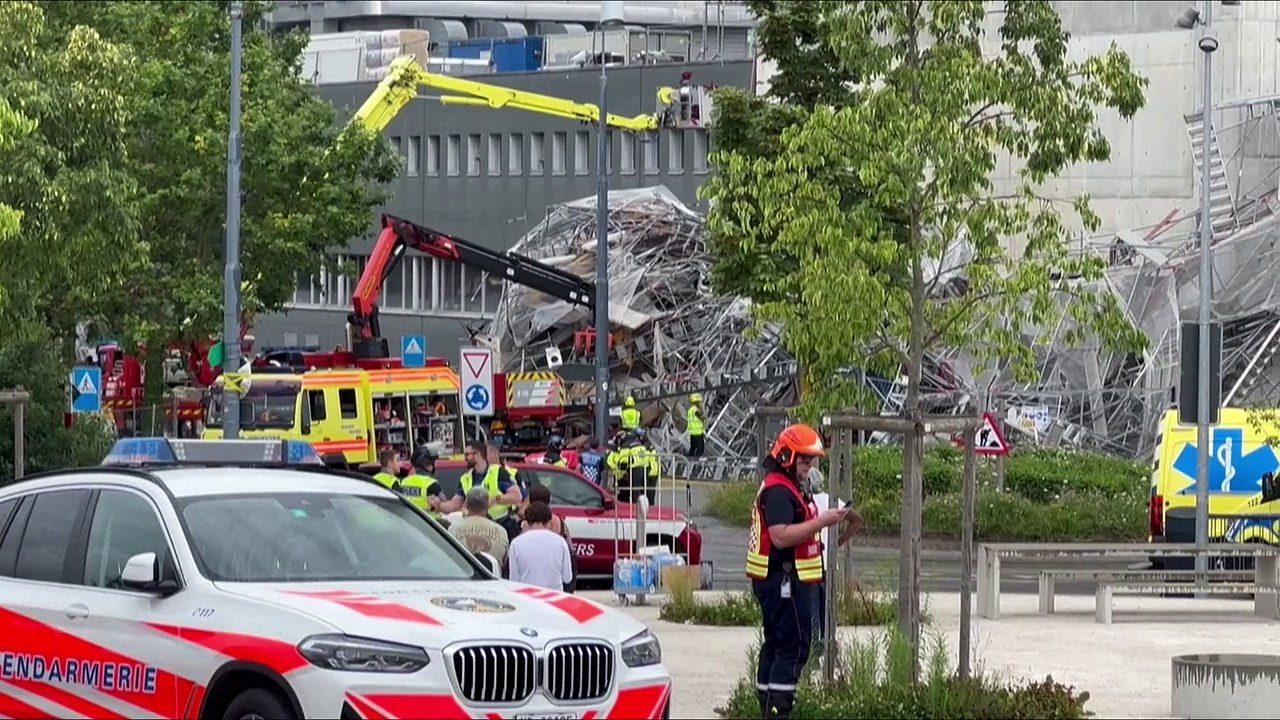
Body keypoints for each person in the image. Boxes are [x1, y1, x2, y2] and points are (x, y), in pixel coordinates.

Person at [745, 424, 851, 720]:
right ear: (787, 456)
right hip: (784, 581)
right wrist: (824, 521)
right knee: (793, 647)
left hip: (780, 580)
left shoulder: (783, 485)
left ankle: (768, 707)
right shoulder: (779, 490)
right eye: (804, 459)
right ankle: (778, 711)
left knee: (777, 645)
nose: (809, 466)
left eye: (812, 460)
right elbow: (780, 536)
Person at [439, 441, 524, 541]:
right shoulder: (466, 478)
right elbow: (455, 504)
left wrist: (496, 498)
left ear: (478, 454)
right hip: (477, 528)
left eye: (467, 454)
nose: (465, 458)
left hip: (502, 525)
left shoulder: (499, 473)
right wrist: (438, 506)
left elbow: (517, 496)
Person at [508, 501, 574, 591]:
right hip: (553, 595)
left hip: (526, 595)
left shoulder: (516, 543)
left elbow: (514, 579)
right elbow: (567, 578)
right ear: (548, 522)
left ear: (527, 521)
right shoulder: (560, 542)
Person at [522, 484, 578, 592]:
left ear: (530, 501)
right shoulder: (560, 523)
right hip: (556, 583)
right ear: (548, 501)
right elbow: (570, 550)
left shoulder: (526, 524)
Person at [448, 487, 510, 566]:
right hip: (491, 573)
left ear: (466, 505)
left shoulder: (453, 529)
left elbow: (449, 557)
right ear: (487, 505)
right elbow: (504, 562)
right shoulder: (501, 532)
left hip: (463, 573)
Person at [399, 446, 446, 524]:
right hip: (431, 524)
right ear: (427, 465)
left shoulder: (403, 482)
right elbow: (444, 506)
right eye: (431, 463)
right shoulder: (431, 483)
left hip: (409, 523)